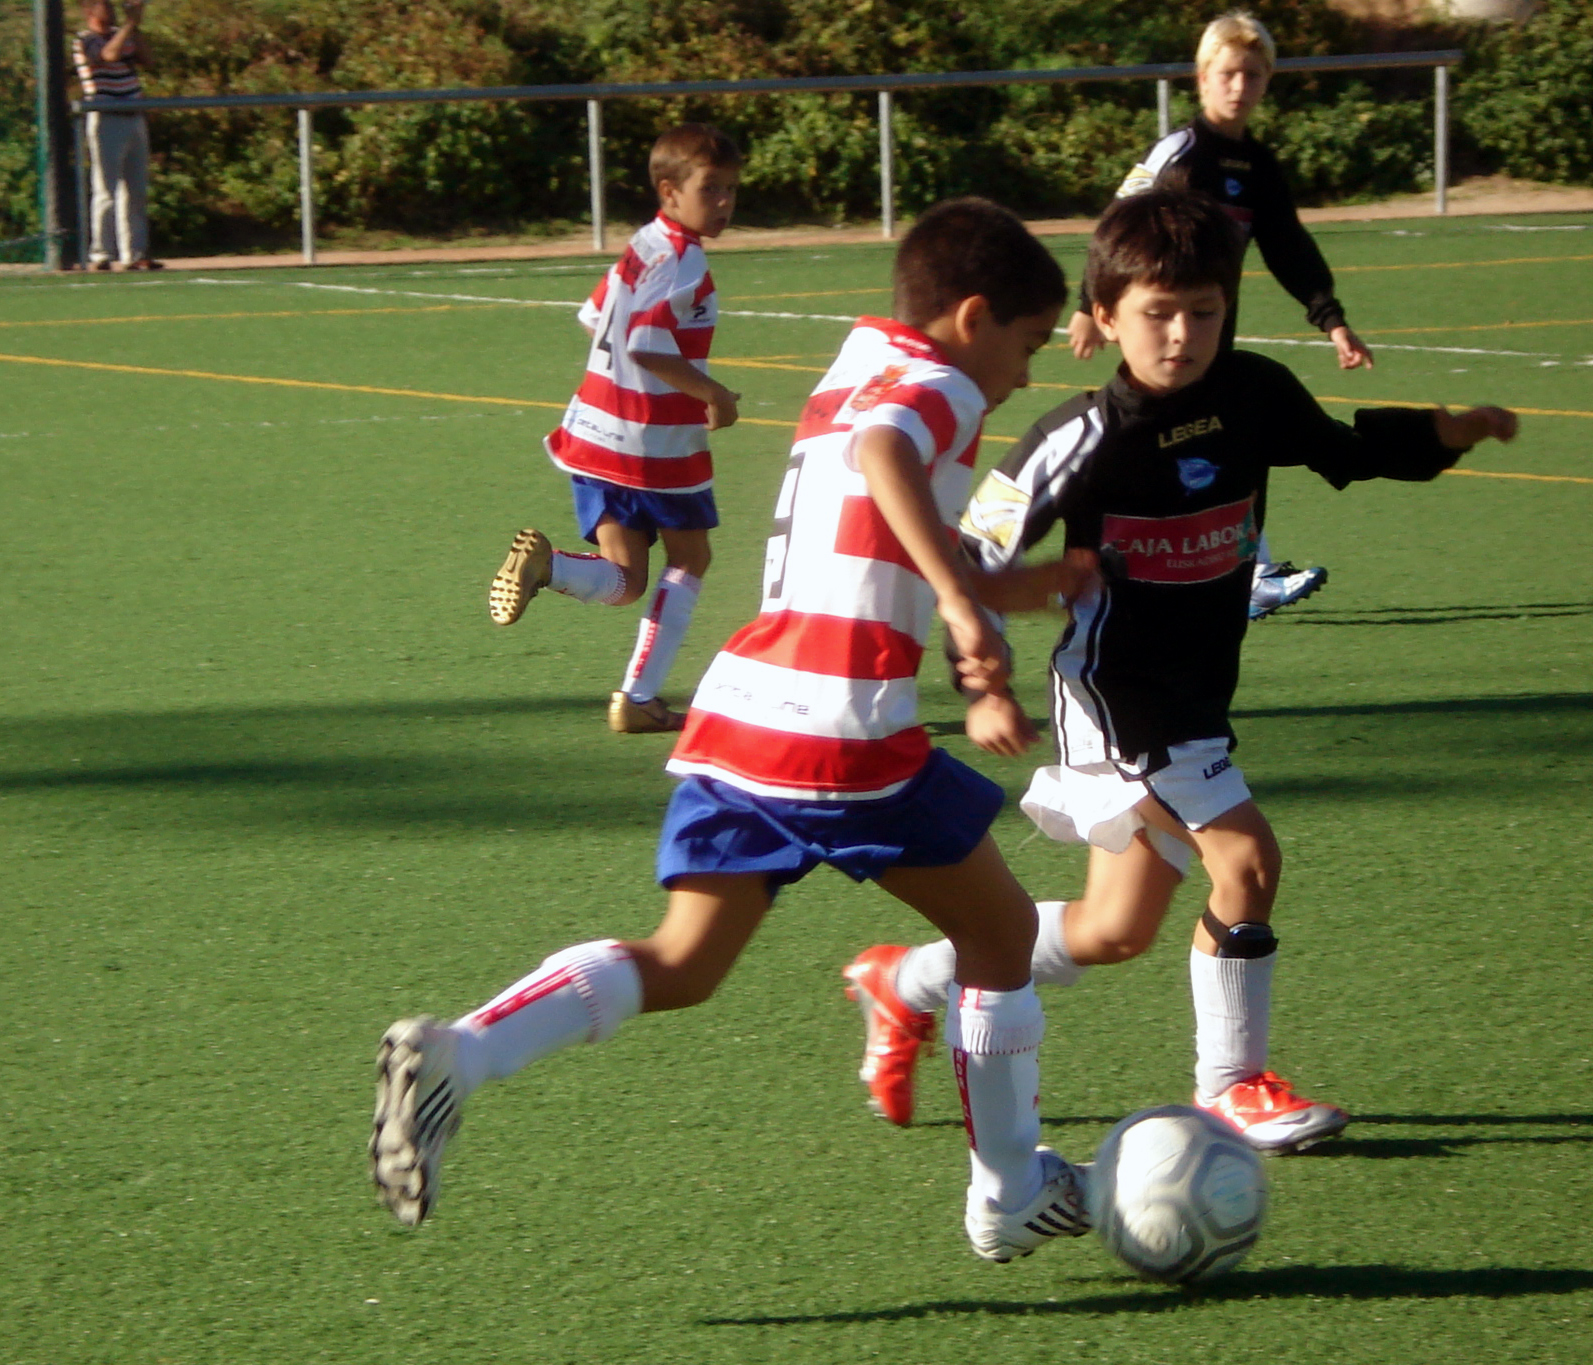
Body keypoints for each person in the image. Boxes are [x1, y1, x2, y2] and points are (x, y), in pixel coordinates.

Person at [373, 197, 1102, 1264]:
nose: (1026, 374)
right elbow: (885, 456)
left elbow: (873, 517)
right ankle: (1009, 1191)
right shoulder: (941, 386)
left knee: (683, 961)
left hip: (749, 707)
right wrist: (959, 604)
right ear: (972, 316)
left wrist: (1011, 587)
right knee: (998, 940)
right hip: (846, 730)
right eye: (1028, 344)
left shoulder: (864, 357)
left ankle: (460, 1055)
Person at [844, 189, 1517, 1153]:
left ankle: (902, 980)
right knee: (1245, 860)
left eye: (1203, 311)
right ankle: (1230, 1087)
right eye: (1157, 313)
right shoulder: (1076, 436)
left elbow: (1344, 450)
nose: (1181, 335)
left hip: (1196, 694)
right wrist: (980, 682)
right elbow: (971, 547)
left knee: (1111, 931)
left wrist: (1447, 431)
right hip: (1115, 696)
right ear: (1105, 316)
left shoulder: (1253, 394)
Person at [1068, 10, 1372, 622]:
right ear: (1203, 77)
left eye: (1253, 75)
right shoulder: (1180, 153)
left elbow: (1288, 245)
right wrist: (1086, 305)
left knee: (1226, 441)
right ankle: (1120, 567)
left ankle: (1237, 572)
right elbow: (1118, 227)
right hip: (1160, 341)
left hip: (1211, 344)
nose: (1239, 86)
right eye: (1228, 73)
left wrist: (1332, 319)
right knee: (1173, 445)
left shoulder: (1258, 166)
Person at [487, 124, 744, 734]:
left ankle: (549, 567)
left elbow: (592, 316)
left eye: (732, 189)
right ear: (669, 191)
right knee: (691, 558)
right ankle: (637, 698)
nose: (725, 202)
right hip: (655, 443)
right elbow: (646, 344)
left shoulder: (643, 244)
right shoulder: (683, 258)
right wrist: (712, 393)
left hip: (592, 430)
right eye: (711, 188)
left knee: (625, 581)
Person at [72, 0, 160, 272]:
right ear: (89, 11)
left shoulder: (122, 35)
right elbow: (109, 55)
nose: (110, 10)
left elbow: (148, 60)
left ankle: (135, 253)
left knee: (136, 190)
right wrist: (129, 24)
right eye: (104, 6)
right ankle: (101, 254)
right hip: (106, 118)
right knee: (105, 190)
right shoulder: (84, 40)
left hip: (133, 116)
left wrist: (135, 27)